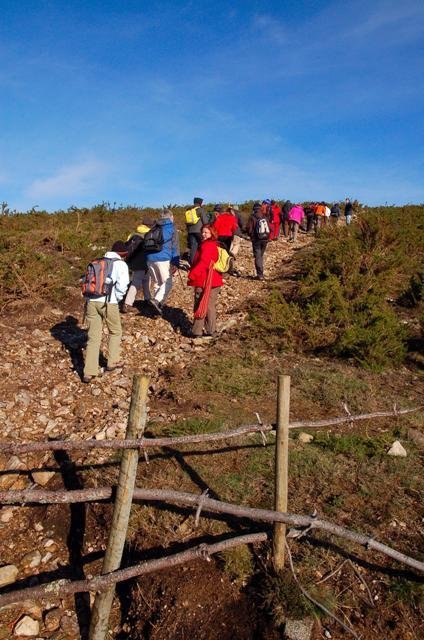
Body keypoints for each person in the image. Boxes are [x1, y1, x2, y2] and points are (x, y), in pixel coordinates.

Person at [83, 241, 130, 383]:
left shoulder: (97, 261)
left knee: (93, 337)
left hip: (91, 301)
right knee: (115, 331)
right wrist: (118, 298)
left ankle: (89, 372)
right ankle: (112, 362)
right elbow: (123, 285)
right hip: (109, 302)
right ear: (123, 254)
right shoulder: (120, 264)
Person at [187, 224, 223, 338]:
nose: (203, 234)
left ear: (212, 233)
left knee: (201, 304)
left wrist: (192, 275)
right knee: (209, 305)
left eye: (206, 232)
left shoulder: (207, 245)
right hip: (214, 279)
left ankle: (197, 331)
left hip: (205, 280)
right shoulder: (214, 244)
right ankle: (211, 330)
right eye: (202, 232)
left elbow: (204, 262)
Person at [146, 209, 180, 315]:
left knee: (157, 283)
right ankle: (157, 301)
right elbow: (175, 246)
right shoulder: (171, 227)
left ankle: (157, 307)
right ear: (171, 217)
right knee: (167, 283)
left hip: (150, 258)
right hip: (163, 258)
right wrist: (175, 262)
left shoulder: (154, 226)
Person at [122, 220, 152, 313]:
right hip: (143, 262)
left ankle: (148, 299)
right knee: (136, 283)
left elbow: (126, 246)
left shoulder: (133, 234)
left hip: (133, 262)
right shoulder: (149, 234)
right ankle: (127, 304)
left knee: (146, 280)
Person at [247, 201, 270, 280]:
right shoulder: (264, 216)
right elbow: (269, 228)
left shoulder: (252, 217)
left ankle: (260, 275)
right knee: (260, 256)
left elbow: (249, 229)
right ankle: (261, 273)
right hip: (265, 239)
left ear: (254, 209)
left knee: (257, 256)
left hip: (256, 239)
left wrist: (251, 236)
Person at [185, 197, 209, 264]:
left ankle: (192, 263)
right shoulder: (200, 210)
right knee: (204, 245)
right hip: (199, 231)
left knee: (193, 247)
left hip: (190, 232)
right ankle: (203, 261)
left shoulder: (188, 210)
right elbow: (205, 222)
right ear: (200, 203)